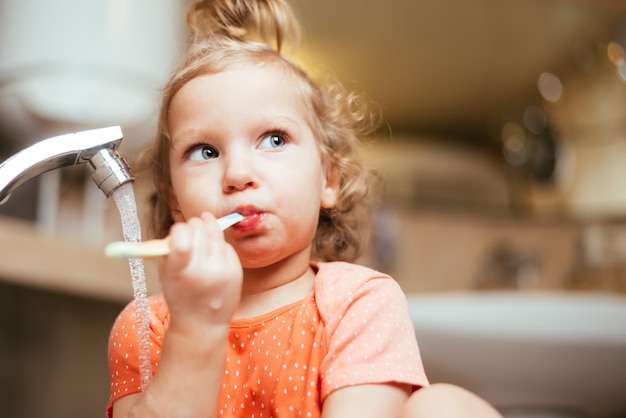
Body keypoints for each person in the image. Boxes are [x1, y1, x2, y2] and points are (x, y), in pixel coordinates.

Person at [106, 0, 503, 417]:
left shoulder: (360, 304)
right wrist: (194, 329)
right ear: (174, 199)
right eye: (205, 151)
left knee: (443, 407)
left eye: (274, 139)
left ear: (328, 179)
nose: (238, 174)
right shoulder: (145, 329)